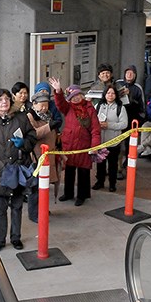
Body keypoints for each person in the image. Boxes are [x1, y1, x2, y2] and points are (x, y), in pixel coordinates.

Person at [0, 89, 36, 250]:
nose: (4, 102)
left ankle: (16, 237)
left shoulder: (21, 118)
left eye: (6, 99)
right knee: (0, 208)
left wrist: (23, 143)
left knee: (17, 206)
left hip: (17, 168)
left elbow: (33, 137)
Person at [50, 78, 101, 206]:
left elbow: (95, 129)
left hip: (84, 145)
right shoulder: (68, 108)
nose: (76, 98)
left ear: (81, 95)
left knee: (83, 171)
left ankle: (82, 195)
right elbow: (60, 103)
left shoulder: (90, 109)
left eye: (78, 95)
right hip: (69, 145)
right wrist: (58, 90)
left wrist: (94, 146)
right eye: (73, 96)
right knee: (69, 170)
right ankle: (68, 193)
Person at [26, 90, 61, 223]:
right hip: (37, 156)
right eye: (41, 105)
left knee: (45, 185)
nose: (44, 108)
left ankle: (43, 208)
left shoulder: (48, 115)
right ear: (34, 104)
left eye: (46, 105)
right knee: (35, 187)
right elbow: (34, 134)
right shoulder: (30, 117)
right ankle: (34, 213)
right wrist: (49, 126)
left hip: (49, 155)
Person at [94, 84, 128, 192]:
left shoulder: (120, 107)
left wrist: (109, 125)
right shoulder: (99, 106)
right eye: (108, 93)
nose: (110, 95)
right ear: (104, 94)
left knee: (112, 165)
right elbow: (92, 120)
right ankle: (100, 181)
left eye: (113, 93)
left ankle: (112, 184)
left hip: (113, 142)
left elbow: (124, 124)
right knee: (100, 164)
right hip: (100, 142)